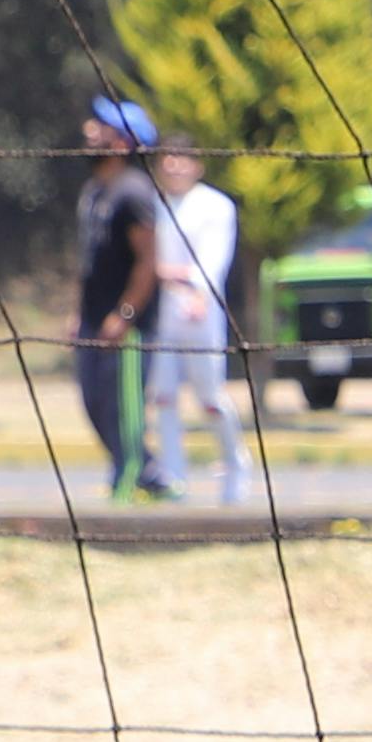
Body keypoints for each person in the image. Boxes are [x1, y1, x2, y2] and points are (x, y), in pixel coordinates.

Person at [70, 102, 173, 502]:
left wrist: (125, 314)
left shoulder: (134, 193)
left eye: (100, 125)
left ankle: (127, 484)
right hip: (93, 319)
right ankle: (153, 477)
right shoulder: (95, 190)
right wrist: (78, 313)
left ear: (122, 141)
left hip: (128, 325)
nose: (88, 128)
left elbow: (149, 262)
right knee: (95, 403)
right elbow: (88, 261)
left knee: (124, 409)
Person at [147, 137, 256, 507]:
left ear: (198, 165)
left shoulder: (215, 205)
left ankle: (235, 463)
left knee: (210, 398)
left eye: (183, 159)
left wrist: (189, 286)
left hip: (200, 314)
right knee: (162, 398)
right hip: (161, 315)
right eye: (168, 159)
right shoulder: (152, 204)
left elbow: (212, 262)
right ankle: (174, 477)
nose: (174, 166)